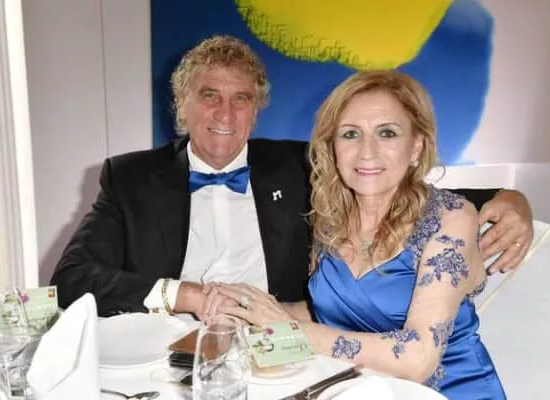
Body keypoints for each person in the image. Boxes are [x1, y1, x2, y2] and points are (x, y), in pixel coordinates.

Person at [50, 35, 532, 320]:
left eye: (241, 99)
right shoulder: (130, 178)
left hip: (281, 341)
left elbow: (398, 187)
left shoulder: (299, 165)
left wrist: (509, 198)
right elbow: (71, 279)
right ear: (183, 104)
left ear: (257, 109)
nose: (225, 113)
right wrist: (186, 296)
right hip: (168, 347)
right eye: (209, 95)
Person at [204, 70, 506, 398]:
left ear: (416, 146)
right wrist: (246, 308)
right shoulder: (330, 218)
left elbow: (418, 358)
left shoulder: (451, 220)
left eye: (387, 133)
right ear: (333, 148)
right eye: (350, 134)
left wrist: (289, 331)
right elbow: (330, 313)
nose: (366, 152)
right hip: (359, 389)